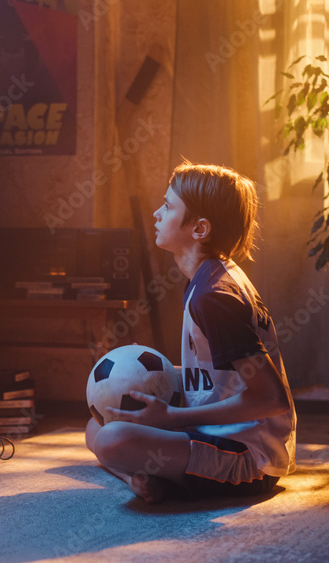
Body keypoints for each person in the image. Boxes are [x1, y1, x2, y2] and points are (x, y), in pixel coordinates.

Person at [85, 161, 297, 504]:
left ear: (199, 229)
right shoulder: (209, 278)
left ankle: (143, 477)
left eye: (168, 206)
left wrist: (173, 417)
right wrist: (151, 375)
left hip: (247, 458)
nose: (156, 213)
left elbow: (271, 399)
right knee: (96, 425)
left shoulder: (215, 298)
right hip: (216, 431)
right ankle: (142, 478)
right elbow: (222, 374)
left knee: (111, 440)